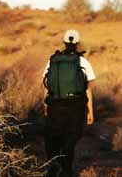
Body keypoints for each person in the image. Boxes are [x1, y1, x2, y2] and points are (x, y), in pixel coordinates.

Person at [42, 29, 95, 177]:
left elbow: (46, 86)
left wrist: (45, 106)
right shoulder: (83, 61)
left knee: (53, 139)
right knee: (70, 140)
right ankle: (66, 171)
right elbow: (87, 90)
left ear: (64, 42)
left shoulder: (53, 60)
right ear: (78, 43)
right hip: (75, 106)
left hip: (55, 105)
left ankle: (53, 169)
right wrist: (90, 111)